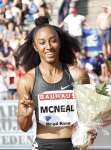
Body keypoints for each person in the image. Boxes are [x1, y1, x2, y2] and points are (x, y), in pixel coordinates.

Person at [15, 16, 96, 150]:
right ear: (35, 47)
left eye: (53, 41)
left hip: (74, 145)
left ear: (60, 43)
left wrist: (90, 130)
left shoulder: (77, 75)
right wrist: (26, 115)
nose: (48, 47)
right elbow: (24, 127)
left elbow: (89, 114)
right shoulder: (27, 80)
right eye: (42, 43)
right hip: (43, 145)